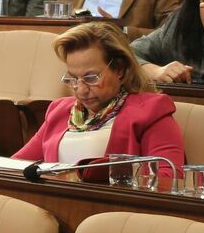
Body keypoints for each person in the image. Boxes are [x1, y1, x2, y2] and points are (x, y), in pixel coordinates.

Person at [14, 21, 186, 171]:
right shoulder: (59, 111)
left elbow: (168, 178)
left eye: (90, 78)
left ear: (119, 69)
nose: (80, 90)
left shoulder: (151, 111)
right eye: (73, 79)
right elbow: (15, 165)